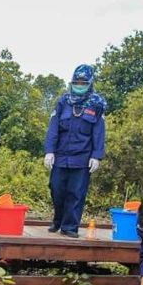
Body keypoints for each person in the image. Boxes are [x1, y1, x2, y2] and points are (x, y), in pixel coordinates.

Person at [43, 64, 107, 238]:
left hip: (82, 157)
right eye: (76, 81)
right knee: (56, 189)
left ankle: (70, 227)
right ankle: (58, 220)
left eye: (83, 82)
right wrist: (49, 151)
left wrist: (96, 156)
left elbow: (99, 132)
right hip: (61, 155)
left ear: (90, 82)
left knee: (76, 193)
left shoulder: (97, 104)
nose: (79, 84)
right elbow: (53, 127)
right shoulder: (63, 101)